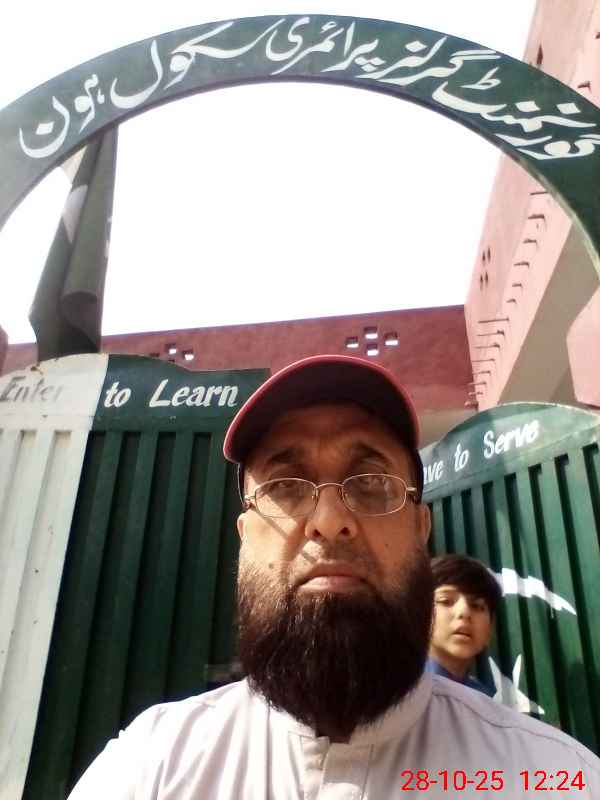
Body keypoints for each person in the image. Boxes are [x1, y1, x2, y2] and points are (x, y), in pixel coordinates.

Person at [68, 355, 600, 798]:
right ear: (245, 535)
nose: (327, 521)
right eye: (284, 486)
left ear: (420, 527)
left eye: (371, 482)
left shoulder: (552, 777)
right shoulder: (151, 767)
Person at [426, 553, 501, 697]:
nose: (464, 612)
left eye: (477, 606)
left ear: (489, 631)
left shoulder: (484, 700)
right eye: (445, 601)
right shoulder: (395, 691)